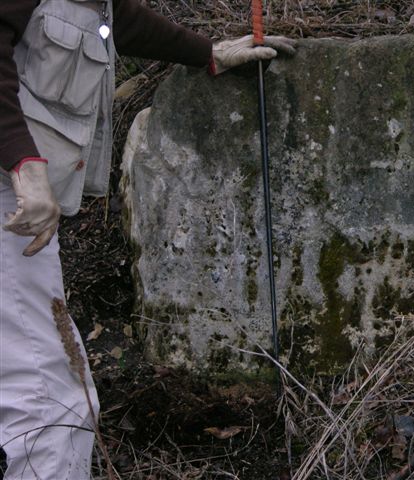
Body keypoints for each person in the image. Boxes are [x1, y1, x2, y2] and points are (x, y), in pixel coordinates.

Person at [0, 1, 295, 478]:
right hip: (12, 206)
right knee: (50, 396)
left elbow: (113, 19)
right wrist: (22, 162)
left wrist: (208, 52)